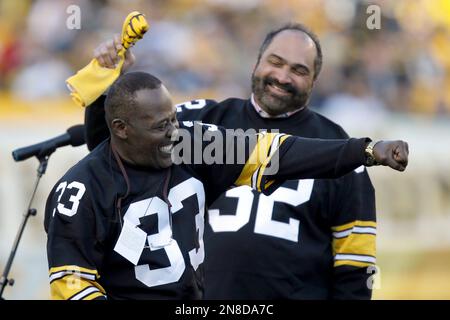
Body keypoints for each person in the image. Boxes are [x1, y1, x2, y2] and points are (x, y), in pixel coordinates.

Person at [83, 23, 406, 299]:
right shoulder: (202, 118)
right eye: (275, 62)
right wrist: (109, 86)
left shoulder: (338, 147)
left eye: (298, 70)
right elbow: (110, 150)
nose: (281, 76)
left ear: (314, 80)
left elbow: (355, 264)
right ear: (256, 63)